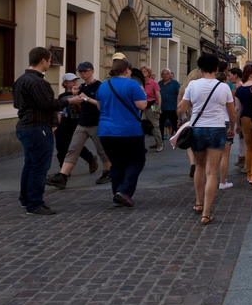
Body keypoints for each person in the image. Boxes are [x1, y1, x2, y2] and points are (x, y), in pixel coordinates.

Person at [12, 47, 80, 215]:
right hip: (37, 128)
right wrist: (71, 100)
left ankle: (26, 199)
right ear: (42, 61)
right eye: (49, 60)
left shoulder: (21, 79)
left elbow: (17, 104)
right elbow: (49, 104)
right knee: (39, 167)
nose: (50, 63)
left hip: (26, 127)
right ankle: (34, 203)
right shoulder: (38, 82)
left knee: (30, 165)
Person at [178, 55, 236, 224]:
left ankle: (198, 203)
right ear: (217, 69)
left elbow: (181, 108)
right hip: (217, 129)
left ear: (200, 69)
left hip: (197, 129)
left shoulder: (193, 85)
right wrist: (232, 128)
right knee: (212, 171)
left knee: (199, 167)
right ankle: (206, 213)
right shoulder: (223, 87)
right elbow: (232, 113)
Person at [87, 59, 148, 207]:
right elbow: (142, 105)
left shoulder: (104, 86)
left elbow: (100, 108)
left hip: (107, 131)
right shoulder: (133, 84)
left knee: (117, 163)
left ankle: (117, 197)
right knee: (137, 160)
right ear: (127, 70)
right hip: (129, 130)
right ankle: (124, 190)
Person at [46, 62, 112, 188]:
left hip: (97, 123)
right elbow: (83, 106)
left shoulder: (100, 86)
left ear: (92, 71)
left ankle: (109, 172)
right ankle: (62, 176)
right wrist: (77, 96)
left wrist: (87, 98)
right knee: (73, 148)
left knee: (102, 150)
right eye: (80, 71)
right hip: (82, 123)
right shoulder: (82, 87)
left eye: (85, 71)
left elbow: (102, 105)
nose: (82, 74)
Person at [55, 73, 97, 176]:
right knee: (61, 147)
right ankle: (63, 170)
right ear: (65, 83)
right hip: (65, 124)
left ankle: (90, 158)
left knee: (75, 146)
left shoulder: (81, 93)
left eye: (75, 80)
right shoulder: (62, 96)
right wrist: (56, 125)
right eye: (71, 81)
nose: (74, 82)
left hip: (78, 123)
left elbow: (85, 107)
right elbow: (59, 112)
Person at [178, 67, 203, 179]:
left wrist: (179, 120)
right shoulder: (202, 88)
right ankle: (198, 164)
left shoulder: (183, 89)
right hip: (199, 118)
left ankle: (192, 163)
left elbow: (178, 107)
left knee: (188, 141)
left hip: (187, 117)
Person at [140, 66, 164, 151]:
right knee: (141, 125)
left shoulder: (154, 83)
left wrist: (159, 107)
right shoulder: (140, 83)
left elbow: (158, 96)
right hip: (142, 106)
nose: (143, 73)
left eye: (144, 71)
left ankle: (160, 143)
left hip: (153, 105)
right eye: (142, 71)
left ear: (149, 73)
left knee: (155, 125)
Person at [228, 68, 247, 170]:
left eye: (230, 75)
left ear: (236, 75)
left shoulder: (238, 86)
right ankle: (241, 159)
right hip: (245, 115)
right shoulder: (242, 84)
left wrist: (237, 121)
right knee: (242, 139)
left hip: (241, 115)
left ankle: (243, 161)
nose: (228, 77)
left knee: (242, 139)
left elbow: (238, 106)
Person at [158, 69, 180, 139]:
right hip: (161, 108)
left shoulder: (175, 83)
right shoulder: (159, 83)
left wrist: (178, 107)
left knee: (175, 124)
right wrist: (155, 108)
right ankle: (160, 141)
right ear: (161, 75)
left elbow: (179, 95)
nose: (165, 75)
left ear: (170, 75)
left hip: (172, 108)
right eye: (163, 74)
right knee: (160, 125)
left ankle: (180, 139)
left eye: (167, 74)